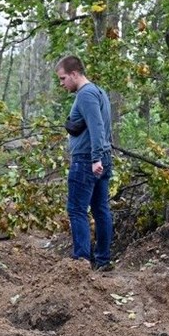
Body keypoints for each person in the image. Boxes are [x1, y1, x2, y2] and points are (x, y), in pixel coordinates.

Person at [55, 55, 114, 271]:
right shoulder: (98, 92)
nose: (61, 84)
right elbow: (101, 128)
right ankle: (103, 260)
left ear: (74, 74)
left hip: (87, 160)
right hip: (101, 157)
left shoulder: (86, 95)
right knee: (100, 208)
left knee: (77, 210)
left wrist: (96, 158)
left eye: (63, 78)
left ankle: (80, 263)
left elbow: (98, 127)